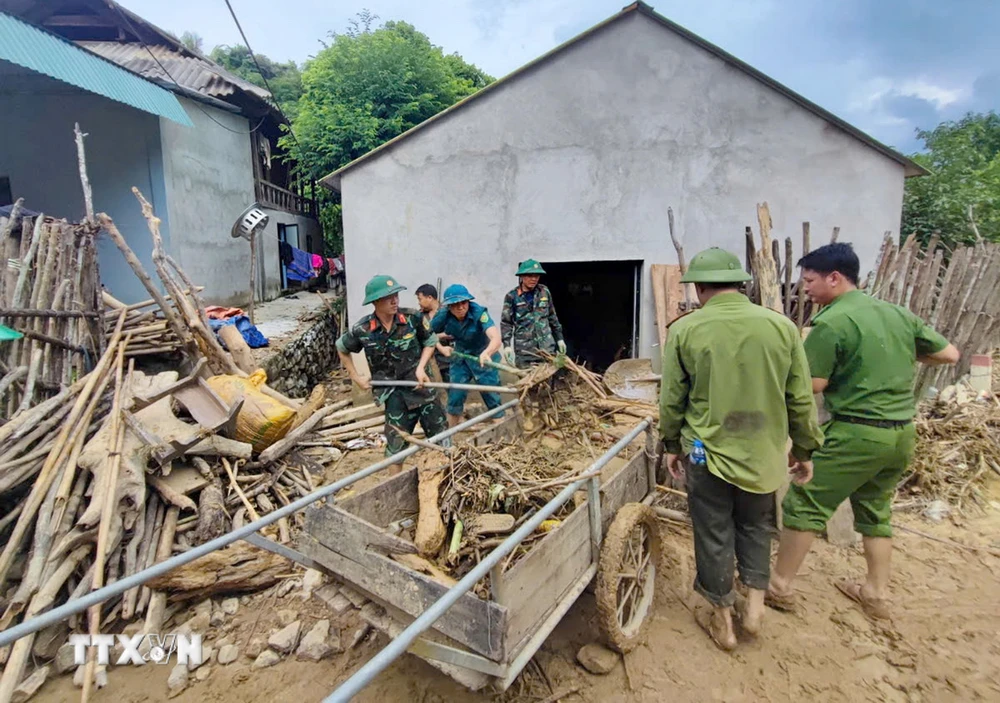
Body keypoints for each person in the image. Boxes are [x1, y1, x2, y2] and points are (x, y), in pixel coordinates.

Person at [768, 243, 959, 619]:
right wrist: (897, 356)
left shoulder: (831, 322)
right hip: (901, 433)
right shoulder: (896, 313)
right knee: (875, 510)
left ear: (834, 279)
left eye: (809, 280)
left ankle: (779, 586)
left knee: (805, 502)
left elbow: (813, 385)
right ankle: (875, 593)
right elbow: (949, 354)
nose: (804, 288)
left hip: (858, 432)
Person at [659, 247, 823, 650]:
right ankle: (754, 606)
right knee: (755, 525)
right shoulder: (781, 327)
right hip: (763, 453)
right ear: (740, 283)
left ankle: (722, 621)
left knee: (713, 528)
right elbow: (800, 398)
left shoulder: (685, 330)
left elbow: (671, 400)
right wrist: (803, 448)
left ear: (698, 287)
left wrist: (670, 444)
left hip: (705, 452)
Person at [336, 275, 450, 467]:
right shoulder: (363, 329)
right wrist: (356, 378)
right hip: (394, 396)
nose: (395, 300)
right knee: (395, 451)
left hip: (422, 390)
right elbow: (342, 348)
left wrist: (421, 368)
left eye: (396, 295)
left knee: (442, 441)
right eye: (388, 297)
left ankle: (448, 480)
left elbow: (430, 341)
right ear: (375, 301)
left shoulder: (413, 318)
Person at [431, 284, 505, 426]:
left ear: (468, 302)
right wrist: (441, 348)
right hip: (461, 356)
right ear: (449, 306)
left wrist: (487, 353)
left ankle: (503, 431)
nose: (460, 307)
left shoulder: (479, 313)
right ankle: (449, 437)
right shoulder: (442, 315)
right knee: (455, 396)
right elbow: (427, 334)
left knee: (491, 395)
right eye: (455, 304)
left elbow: (495, 338)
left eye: (463, 303)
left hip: (483, 356)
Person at [500, 259, 566, 368]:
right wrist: (506, 345)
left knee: (548, 382)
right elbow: (506, 323)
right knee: (528, 382)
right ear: (521, 276)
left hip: (547, 349)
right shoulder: (512, 296)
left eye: (537, 276)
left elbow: (552, 316)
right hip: (525, 352)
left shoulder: (544, 292)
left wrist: (559, 338)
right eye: (530, 275)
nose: (534, 279)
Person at [416, 283, 452, 383]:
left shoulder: (448, 312)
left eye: (420, 299)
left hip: (447, 360)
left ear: (430, 298)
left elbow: (454, 332)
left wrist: (436, 336)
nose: (419, 303)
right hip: (430, 361)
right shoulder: (420, 316)